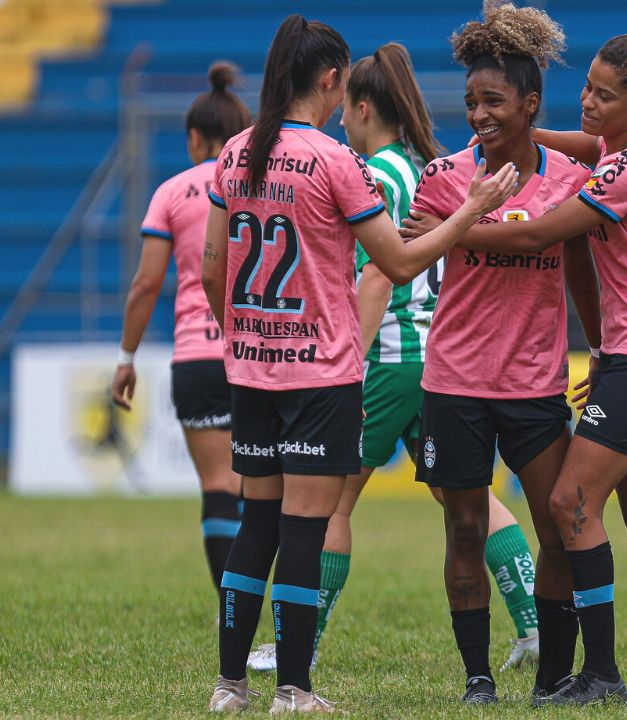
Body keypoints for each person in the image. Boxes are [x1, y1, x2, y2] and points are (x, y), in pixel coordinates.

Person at [199, 14, 516, 713]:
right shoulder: (334, 161)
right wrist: (470, 212)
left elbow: (213, 265)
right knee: (305, 531)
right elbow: (398, 262)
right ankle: (293, 690)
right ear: (332, 79)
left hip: (253, 369)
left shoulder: (236, 153)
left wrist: (243, 335)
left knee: (257, 525)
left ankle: (228, 686)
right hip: (320, 375)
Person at [409, 25, 627, 706]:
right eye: (584, 87)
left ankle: (601, 675)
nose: (586, 102)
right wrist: (507, 127)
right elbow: (568, 147)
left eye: (603, 95)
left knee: (570, 502)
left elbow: (544, 233)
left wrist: (458, 225)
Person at [404, 3, 606, 705]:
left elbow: (576, 267)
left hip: (534, 384)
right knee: (464, 527)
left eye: (493, 101)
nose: (479, 115)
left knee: (555, 527)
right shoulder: (443, 175)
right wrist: (458, 219)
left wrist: (600, 343)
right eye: (470, 102)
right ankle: (477, 679)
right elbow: (409, 251)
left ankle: (552, 676)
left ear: (529, 104)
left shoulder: (568, 178)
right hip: (454, 380)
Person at [111, 62, 252, 600]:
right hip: (260, 350)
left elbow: (145, 285)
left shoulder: (172, 192)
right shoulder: (258, 183)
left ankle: (232, 609)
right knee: (259, 487)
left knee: (217, 486)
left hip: (196, 354)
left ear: (194, 137)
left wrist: (126, 358)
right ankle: (267, 601)